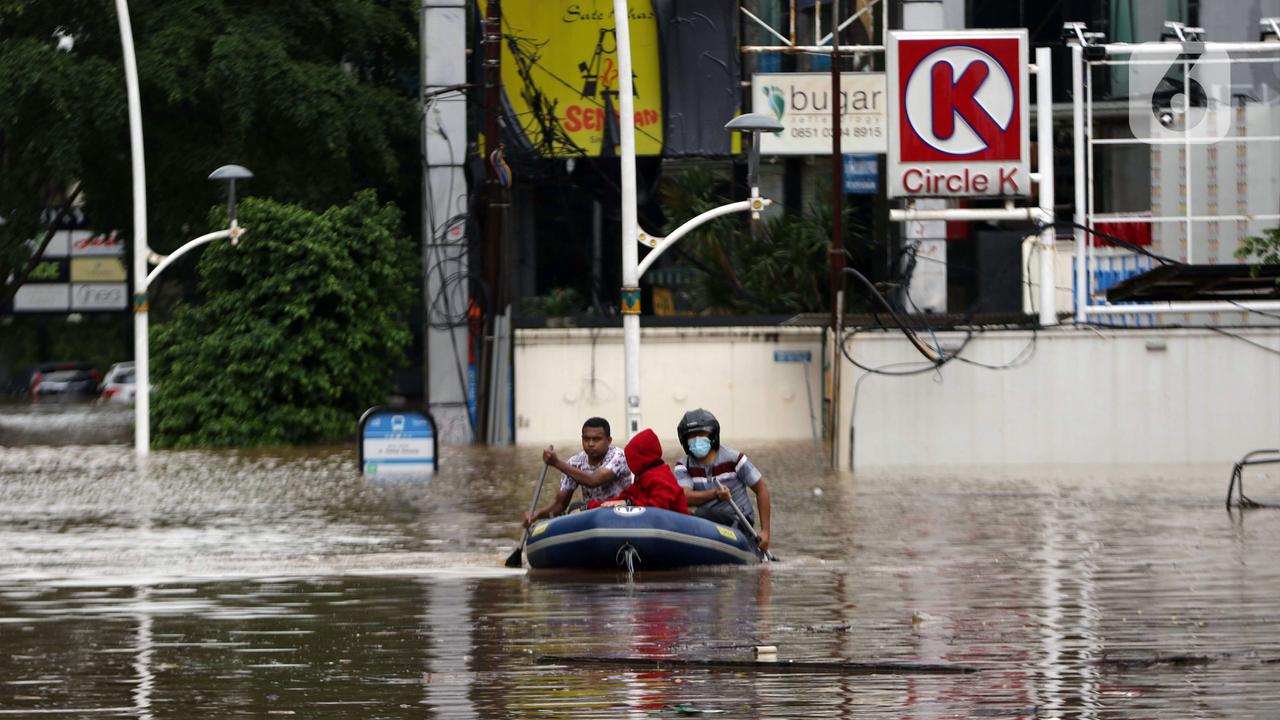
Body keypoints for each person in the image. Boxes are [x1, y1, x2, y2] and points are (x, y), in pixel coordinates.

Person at [673, 408, 772, 551]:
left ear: (713, 435)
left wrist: (765, 532)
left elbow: (761, 489)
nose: (696, 439)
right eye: (691, 436)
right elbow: (685, 497)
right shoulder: (683, 465)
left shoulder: (735, 459)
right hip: (706, 522)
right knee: (692, 515)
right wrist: (715, 495)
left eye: (701, 433)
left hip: (738, 520)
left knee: (701, 514)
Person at [522, 417, 632, 527]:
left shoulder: (618, 456)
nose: (590, 444)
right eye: (586, 439)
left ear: (609, 441)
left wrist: (556, 463)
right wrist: (536, 515)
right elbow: (559, 505)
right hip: (592, 516)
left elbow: (593, 481)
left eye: (596, 439)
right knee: (574, 508)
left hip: (619, 511)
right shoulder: (574, 463)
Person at [587, 428, 689, 513]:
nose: (629, 463)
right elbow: (623, 498)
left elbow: (657, 507)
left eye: (631, 459)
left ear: (641, 458)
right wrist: (588, 507)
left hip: (676, 528)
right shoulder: (641, 479)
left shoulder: (662, 478)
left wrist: (629, 503)